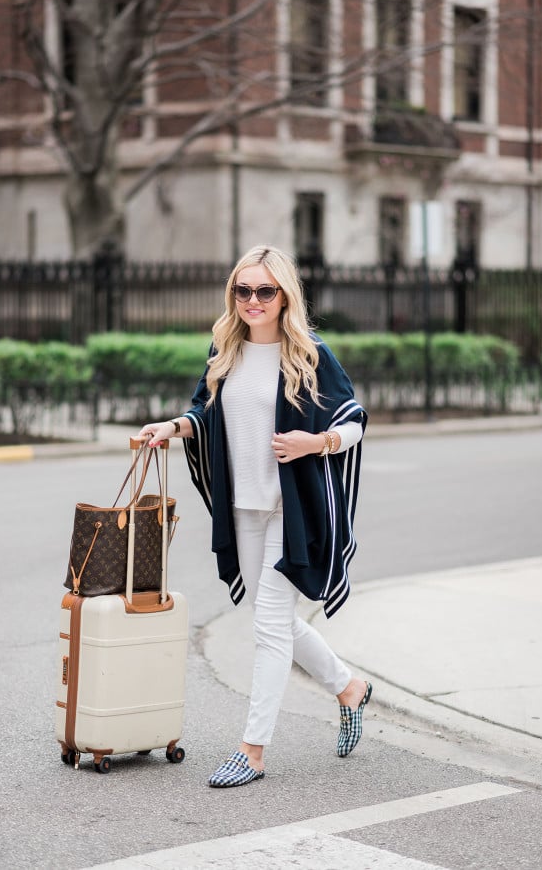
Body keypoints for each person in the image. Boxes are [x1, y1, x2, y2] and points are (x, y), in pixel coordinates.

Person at [137, 244, 371, 788]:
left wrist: (316, 441)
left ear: (285, 295)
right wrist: (172, 427)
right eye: (243, 289)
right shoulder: (225, 349)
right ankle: (349, 687)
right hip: (243, 505)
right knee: (275, 620)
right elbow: (204, 412)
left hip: (292, 509)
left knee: (268, 628)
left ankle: (253, 750)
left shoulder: (309, 354)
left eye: (265, 290)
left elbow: (354, 421)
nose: (253, 300)